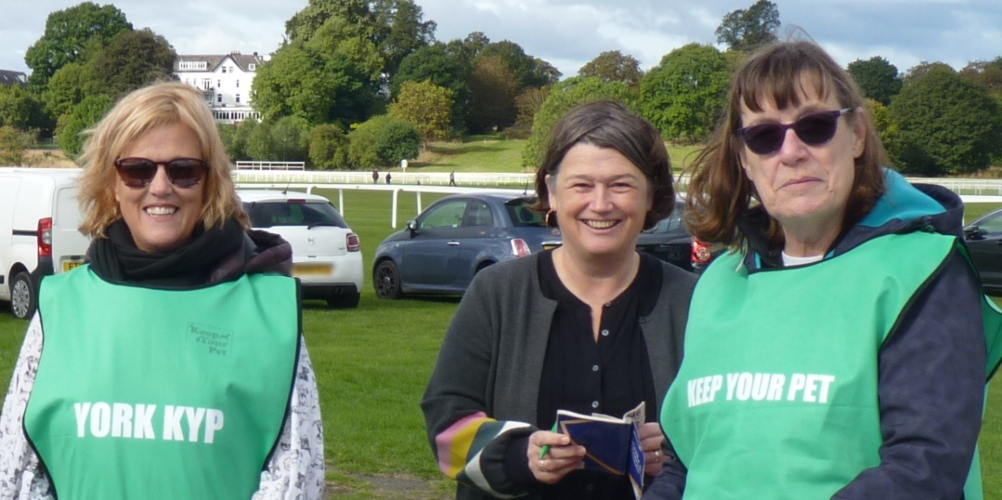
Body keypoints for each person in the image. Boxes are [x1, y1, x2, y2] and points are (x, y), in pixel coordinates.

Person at [646, 41, 1001, 499]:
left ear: (855, 135)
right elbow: (684, 464)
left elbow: (923, 468)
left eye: (814, 127)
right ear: (744, 158)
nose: (791, 152)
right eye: (765, 136)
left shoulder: (923, 270)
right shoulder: (719, 282)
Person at [0, 81, 324, 499]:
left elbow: (295, 480)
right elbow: (17, 478)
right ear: (111, 182)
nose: (160, 187)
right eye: (137, 170)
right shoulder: (60, 308)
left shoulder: (270, 315)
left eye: (182, 170)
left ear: (209, 181)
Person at [422, 100, 695, 500]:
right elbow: (447, 424)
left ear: (651, 195)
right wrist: (518, 455)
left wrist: (675, 451)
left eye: (621, 184)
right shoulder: (496, 293)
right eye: (581, 185)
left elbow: (730, 433)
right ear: (551, 193)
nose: (601, 204)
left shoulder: (691, 302)